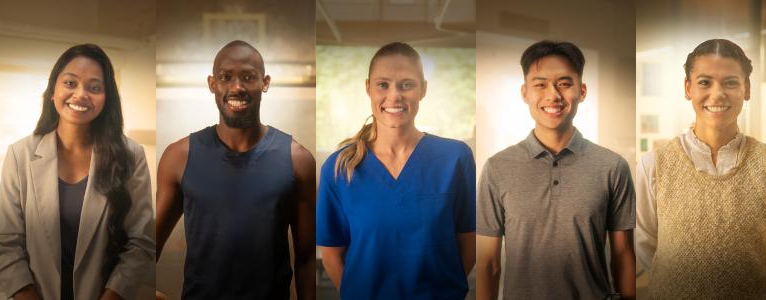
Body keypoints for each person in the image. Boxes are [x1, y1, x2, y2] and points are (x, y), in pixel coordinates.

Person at [636, 39, 766, 299]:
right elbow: (646, 251)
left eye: (731, 82)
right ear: (688, 88)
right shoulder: (653, 166)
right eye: (704, 82)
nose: (717, 93)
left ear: (747, 89)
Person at [155, 40, 316, 299]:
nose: (237, 87)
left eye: (248, 77)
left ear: (265, 83)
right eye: (226, 77)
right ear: (212, 84)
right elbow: (146, 248)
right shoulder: (179, 157)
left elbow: (307, 259)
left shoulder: (298, 160)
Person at [476, 40, 636, 299]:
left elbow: (623, 255)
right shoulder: (497, 168)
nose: (553, 95)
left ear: (581, 91)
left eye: (564, 83)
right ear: (524, 92)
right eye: (540, 84)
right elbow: (488, 263)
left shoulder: (613, 166)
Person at [316, 42, 476, 299]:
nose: (394, 96)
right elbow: (332, 256)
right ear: (368, 88)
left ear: (423, 89)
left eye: (406, 84)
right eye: (383, 84)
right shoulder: (339, 168)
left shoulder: (456, 158)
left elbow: (469, 243)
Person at [0, 44, 155, 300]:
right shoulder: (20, 154)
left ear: (107, 98)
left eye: (94, 88)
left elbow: (141, 243)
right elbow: (5, 242)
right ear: (53, 91)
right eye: (70, 83)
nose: (80, 94)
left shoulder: (131, 156)